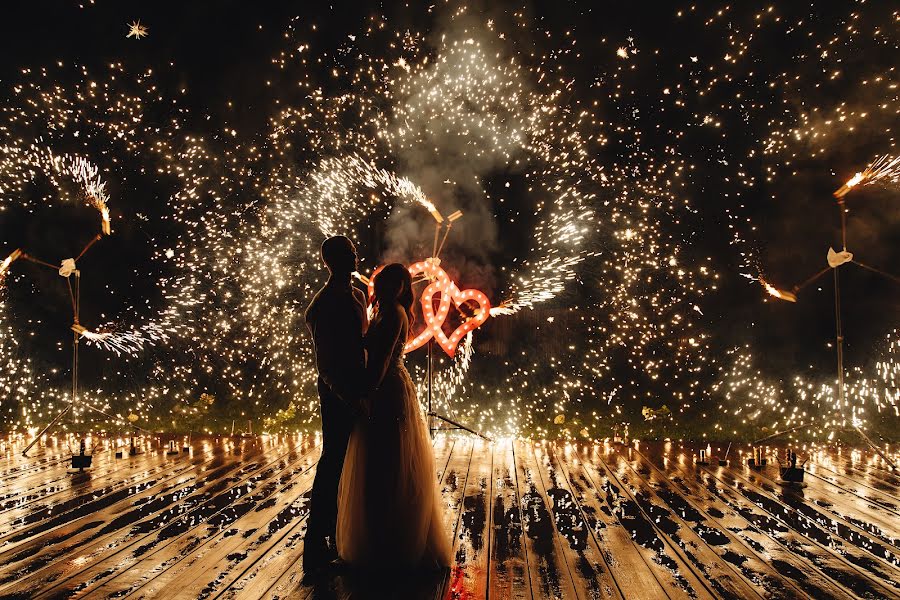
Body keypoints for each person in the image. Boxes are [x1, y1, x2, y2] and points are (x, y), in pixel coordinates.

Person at [336, 263, 452, 571]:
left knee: (389, 461)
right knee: (382, 462)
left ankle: (392, 541)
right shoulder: (383, 311)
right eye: (386, 282)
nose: (390, 288)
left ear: (403, 288)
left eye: (397, 284)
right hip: (386, 386)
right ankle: (382, 538)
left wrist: (365, 393)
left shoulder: (394, 314)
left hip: (387, 391)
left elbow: (382, 360)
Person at [303, 236, 369, 575]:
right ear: (331, 260)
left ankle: (342, 533)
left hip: (358, 388)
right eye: (347, 253)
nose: (355, 256)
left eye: (354, 251)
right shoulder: (324, 303)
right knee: (333, 463)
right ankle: (316, 540)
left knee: (350, 462)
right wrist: (348, 397)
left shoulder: (357, 294)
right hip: (338, 393)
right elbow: (325, 365)